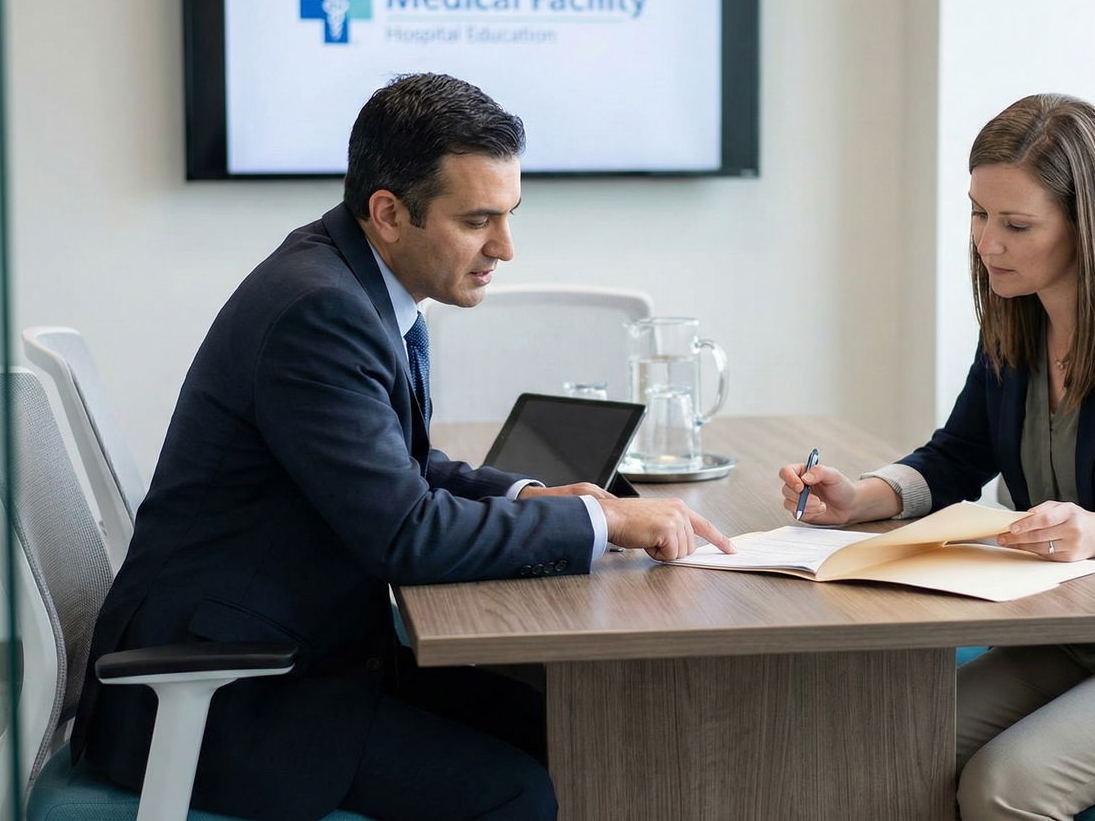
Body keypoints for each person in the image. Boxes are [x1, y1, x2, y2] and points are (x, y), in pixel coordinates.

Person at [72, 73, 734, 821]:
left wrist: (531, 497)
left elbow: (399, 470)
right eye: (479, 219)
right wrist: (603, 524)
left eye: (510, 215)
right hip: (231, 699)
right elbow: (405, 534)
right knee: (517, 788)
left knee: (577, 727)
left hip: (296, 650)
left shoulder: (347, 282)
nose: (506, 248)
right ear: (389, 213)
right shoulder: (317, 312)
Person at [779, 93, 1095, 820]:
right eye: (979, 214)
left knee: (1006, 785)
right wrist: (861, 496)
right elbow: (957, 454)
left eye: (1016, 225)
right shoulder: (1020, 314)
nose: (988, 245)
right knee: (887, 740)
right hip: (1079, 632)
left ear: (1088, 226)